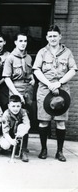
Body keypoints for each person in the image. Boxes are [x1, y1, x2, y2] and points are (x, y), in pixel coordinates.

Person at [33, 25, 77, 162]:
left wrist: (59, 83)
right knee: (44, 121)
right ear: (47, 37)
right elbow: (36, 70)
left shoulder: (67, 52)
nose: (52, 38)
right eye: (50, 36)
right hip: (45, 89)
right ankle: (44, 149)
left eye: (55, 36)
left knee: (60, 122)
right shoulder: (42, 52)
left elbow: (73, 70)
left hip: (61, 89)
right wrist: (49, 83)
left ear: (60, 37)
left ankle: (59, 151)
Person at [3, 33, 34, 119]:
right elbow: (7, 78)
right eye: (20, 41)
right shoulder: (10, 58)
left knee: (27, 114)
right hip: (16, 88)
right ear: (15, 42)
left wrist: (32, 78)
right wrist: (16, 94)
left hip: (28, 90)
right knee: (15, 115)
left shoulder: (28, 57)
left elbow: (30, 72)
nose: (23, 43)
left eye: (25, 41)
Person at [0, 95, 30, 162]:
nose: (15, 109)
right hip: (8, 135)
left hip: (18, 133)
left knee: (22, 127)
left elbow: (27, 124)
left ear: (21, 105)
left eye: (18, 106)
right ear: (8, 106)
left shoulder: (23, 112)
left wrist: (22, 133)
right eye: (13, 106)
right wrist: (11, 141)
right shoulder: (6, 114)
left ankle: (23, 150)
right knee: (5, 145)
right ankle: (10, 148)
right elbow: (5, 133)